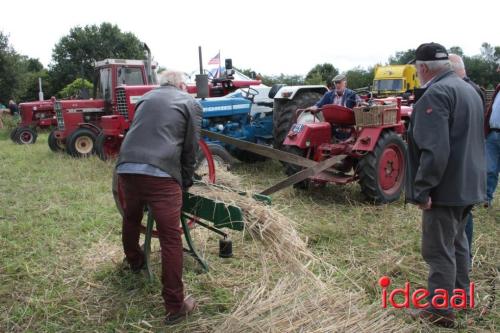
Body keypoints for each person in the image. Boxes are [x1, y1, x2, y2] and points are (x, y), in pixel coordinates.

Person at [406, 43, 486, 328]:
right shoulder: (469, 90)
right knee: (458, 243)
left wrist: (423, 189)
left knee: (438, 250)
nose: (418, 74)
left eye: (417, 69)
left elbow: (435, 150)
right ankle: (460, 297)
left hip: (446, 187)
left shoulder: (436, 93)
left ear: (424, 68)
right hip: (470, 183)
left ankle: (440, 310)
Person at [116, 70, 202, 324]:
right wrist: (186, 180)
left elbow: (141, 131)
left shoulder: (144, 99)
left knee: (131, 217)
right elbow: (191, 148)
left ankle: (134, 260)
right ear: (182, 85)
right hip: (161, 174)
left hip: (126, 167)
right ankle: (175, 306)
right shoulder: (190, 102)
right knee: (171, 238)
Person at [449, 53, 486, 266]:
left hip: (464, 160)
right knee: (462, 211)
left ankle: (464, 257)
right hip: (471, 156)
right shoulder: (473, 89)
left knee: (462, 213)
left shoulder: (465, 90)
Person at [305, 74, 361, 172]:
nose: (337, 85)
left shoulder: (352, 94)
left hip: (347, 126)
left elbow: (359, 102)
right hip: (331, 125)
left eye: (339, 83)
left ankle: (347, 163)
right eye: (336, 83)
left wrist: (360, 104)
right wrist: (314, 108)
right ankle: (317, 163)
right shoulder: (329, 95)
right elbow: (318, 104)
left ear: (345, 83)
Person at [484, 78, 500, 208]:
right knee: (489, 169)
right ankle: (486, 198)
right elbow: (491, 110)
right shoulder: (499, 88)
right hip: (493, 134)